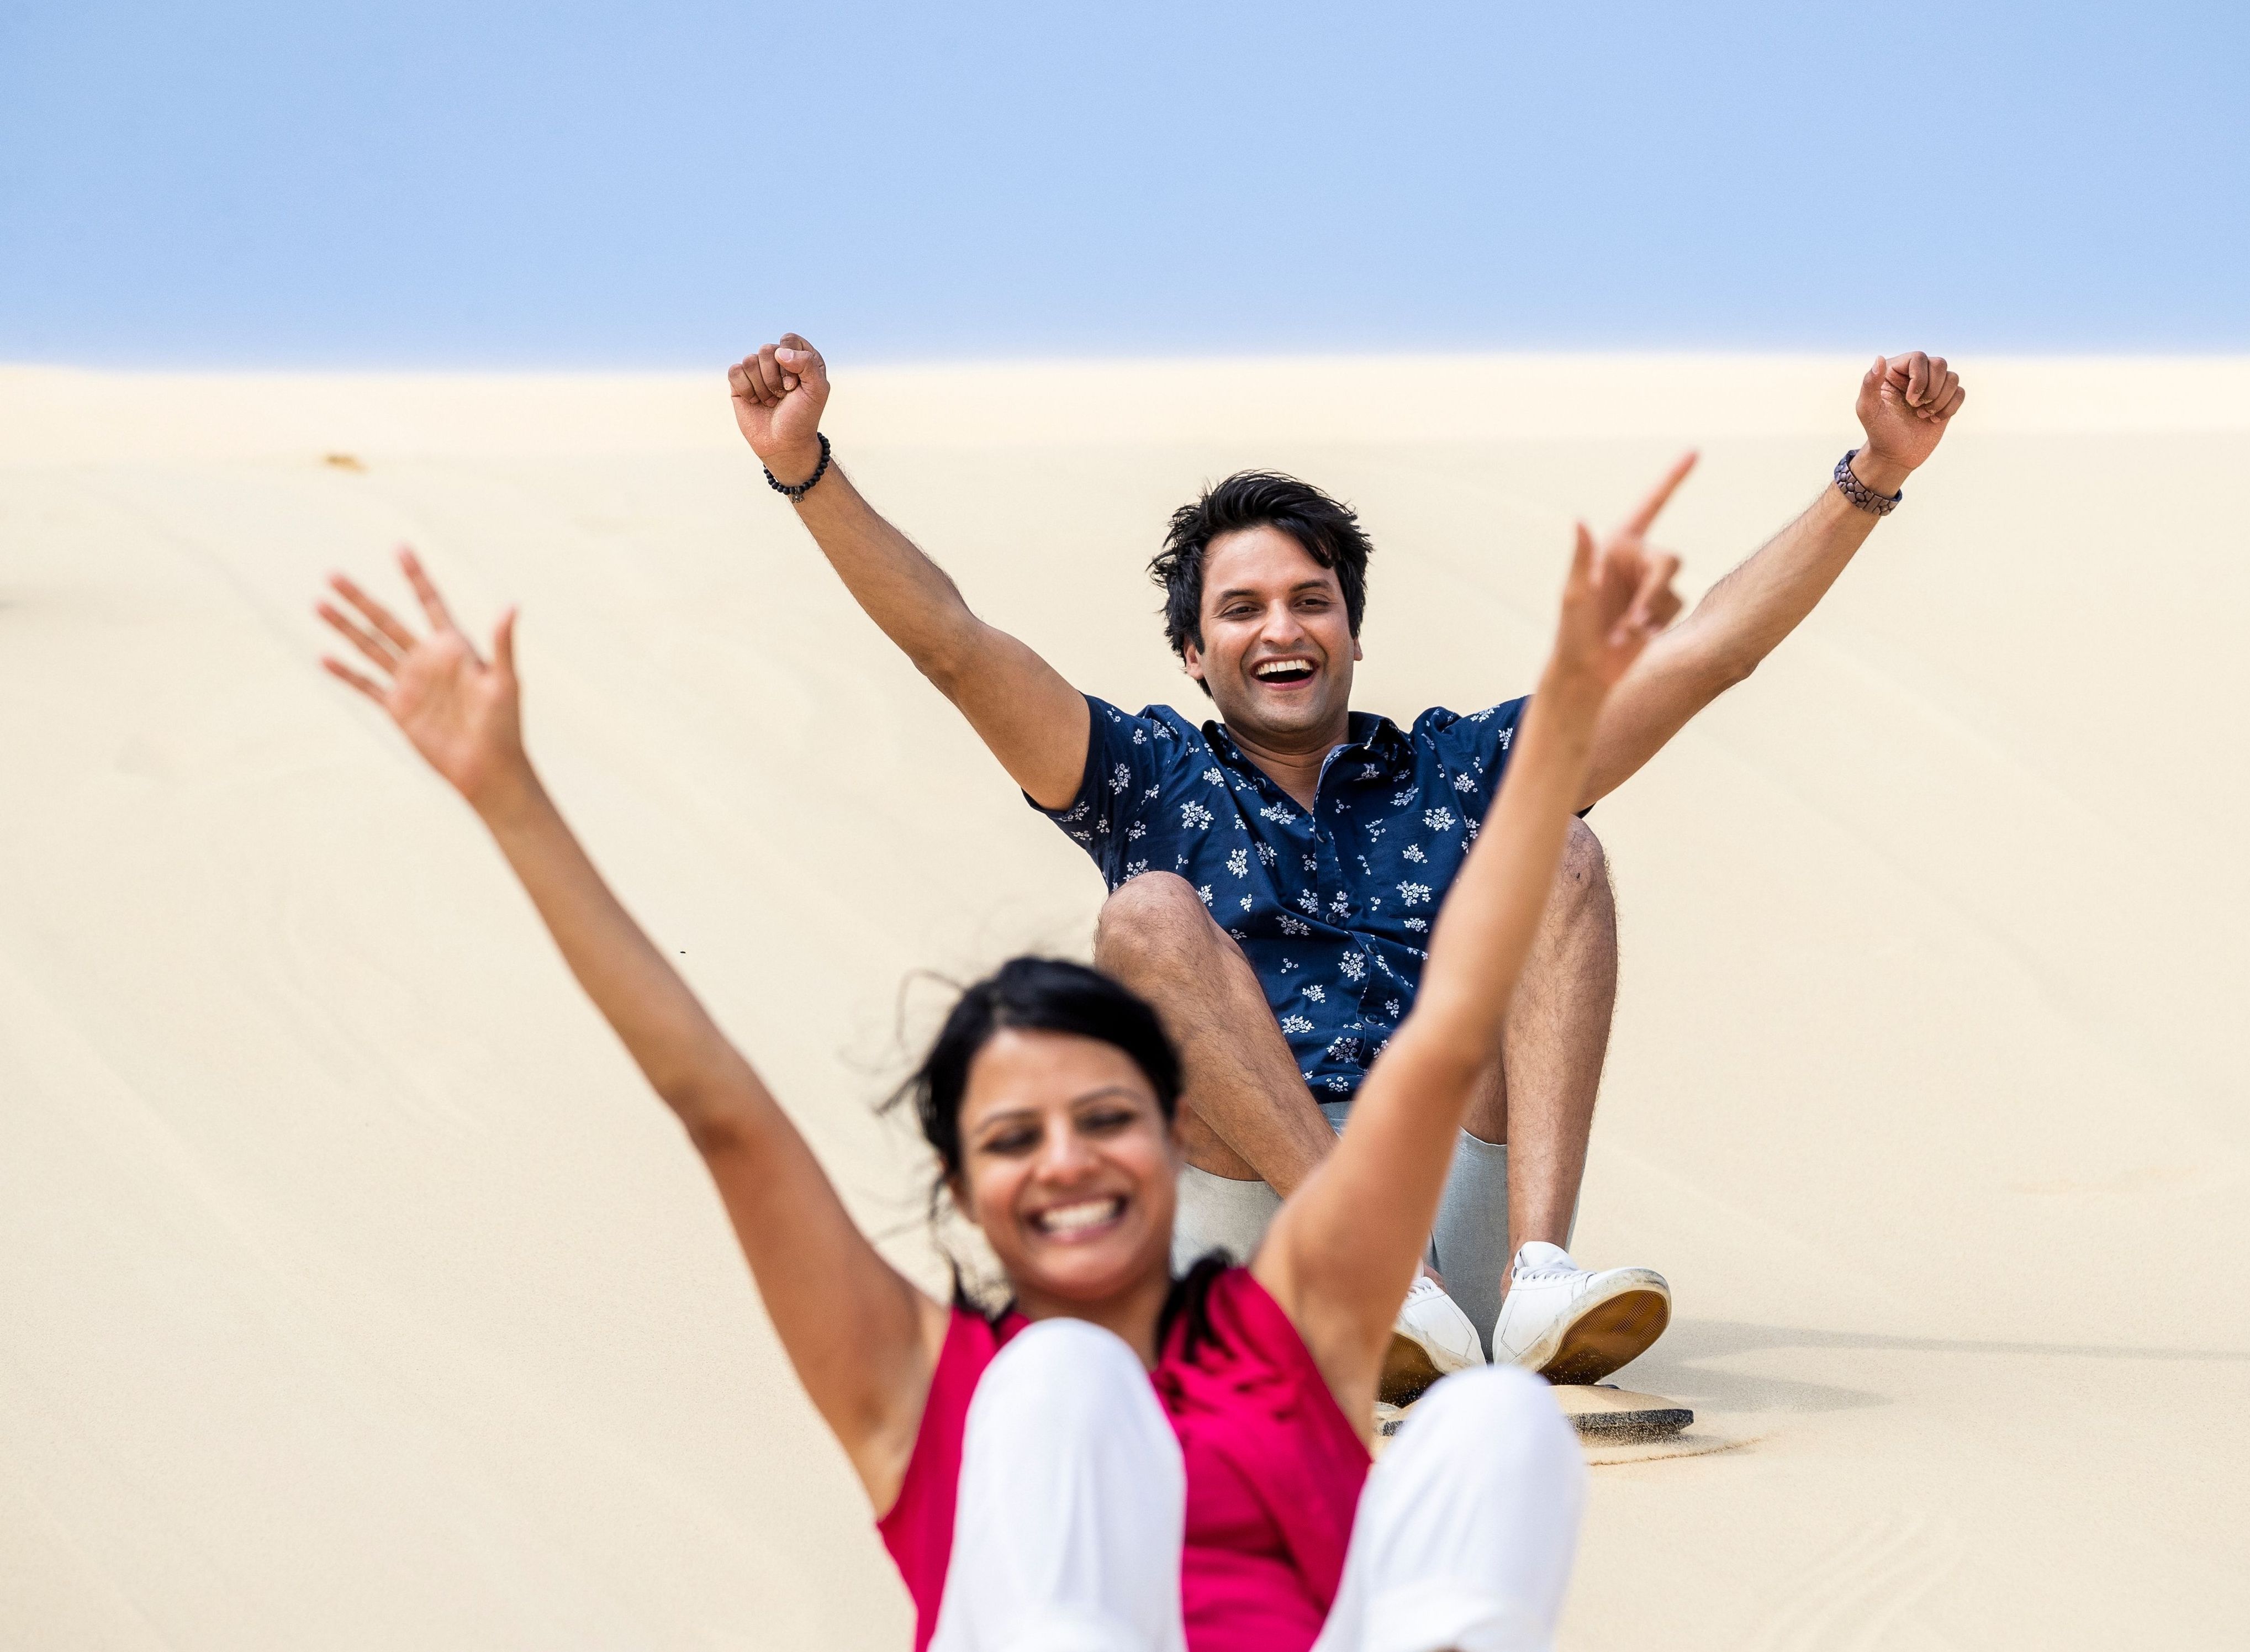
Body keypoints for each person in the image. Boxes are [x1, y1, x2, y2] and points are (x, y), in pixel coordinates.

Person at [310, 467, 1687, 1652]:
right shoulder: (937, 1383)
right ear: (958, 1189)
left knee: (1494, 1432)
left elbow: (1456, 1028)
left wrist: (1569, 705)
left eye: (1100, 1116)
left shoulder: (1293, 1340)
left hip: (1380, 1273)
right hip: (1253, 1267)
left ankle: (1516, 1293)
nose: (1071, 1156)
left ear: (1156, 1130)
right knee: (1061, 1382)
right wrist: (513, 803)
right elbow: (713, 1102)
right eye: (1015, 1137)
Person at [725, 332, 1966, 1395]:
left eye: (1310, 600)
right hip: (1255, 1211)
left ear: (1353, 633)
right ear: (1195, 657)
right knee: (1147, 913)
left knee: (1554, 845)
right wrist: (803, 469)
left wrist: (1871, 476)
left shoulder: (1454, 769)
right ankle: (1368, 1274)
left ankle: (1535, 1284)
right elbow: (954, 646)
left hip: (1450, 1214)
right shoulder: (1148, 776)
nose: (1281, 628)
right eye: (1242, 608)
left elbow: (1697, 659)